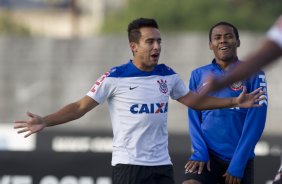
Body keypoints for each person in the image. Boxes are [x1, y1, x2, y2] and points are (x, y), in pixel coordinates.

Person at [14, 18, 264, 184]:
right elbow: (80, 107)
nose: (157, 46)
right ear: (134, 46)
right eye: (150, 42)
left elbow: (196, 103)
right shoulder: (115, 77)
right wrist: (45, 121)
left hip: (162, 167)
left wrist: (234, 101)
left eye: (159, 41)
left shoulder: (168, 75)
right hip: (129, 167)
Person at [193, 15, 282, 184]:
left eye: (228, 36)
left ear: (238, 42)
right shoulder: (198, 74)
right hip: (207, 157)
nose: (223, 41)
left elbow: (256, 121)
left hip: (238, 160)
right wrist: (199, 151)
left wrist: (238, 163)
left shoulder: (255, 74)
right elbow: (193, 113)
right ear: (210, 44)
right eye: (217, 38)